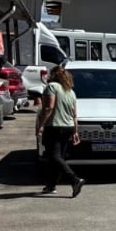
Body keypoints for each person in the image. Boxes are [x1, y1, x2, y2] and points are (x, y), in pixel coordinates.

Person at [37, 62, 84, 197]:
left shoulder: (51, 87)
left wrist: (41, 125)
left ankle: (74, 180)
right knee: (58, 158)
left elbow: (48, 108)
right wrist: (75, 131)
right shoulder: (70, 92)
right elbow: (75, 115)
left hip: (54, 126)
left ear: (53, 76)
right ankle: (51, 186)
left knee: (54, 156)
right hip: (68, 127)